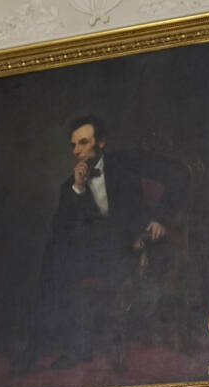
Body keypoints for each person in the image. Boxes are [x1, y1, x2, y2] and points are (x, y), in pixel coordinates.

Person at [35, 114, 187, 373]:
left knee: (66, 258)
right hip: (95, 257)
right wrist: (79, 190)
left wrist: (160, 218)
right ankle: (71, 347)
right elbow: (60, 230)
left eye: (83, 143)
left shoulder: (129, 162)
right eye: (73, 145)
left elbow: (180, 174)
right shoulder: (69, 186)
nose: (77, 151)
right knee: (57, 253)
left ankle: (65, 344)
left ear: (102, 143)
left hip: (134, 247)